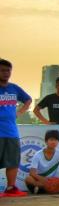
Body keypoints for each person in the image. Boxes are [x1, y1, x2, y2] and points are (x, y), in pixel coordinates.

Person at [0, 59, 31, 197]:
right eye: (2, 70)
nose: (6, 73)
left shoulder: (14, 88)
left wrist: (19, 112)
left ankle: (10, 188)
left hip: (11, 131)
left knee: (13, 161)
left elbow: (28, 99)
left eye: (8, 70)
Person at [25, 129, 59, 194]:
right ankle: (42, 188)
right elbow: (32, 173)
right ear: (46, 141)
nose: (53, 142)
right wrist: (44, 180)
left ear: (58, 141)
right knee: (28, 179)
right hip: (41, 180)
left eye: (56, 140)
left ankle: (47, 189)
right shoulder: (38, 154)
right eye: (51, 140)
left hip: (53, 180)